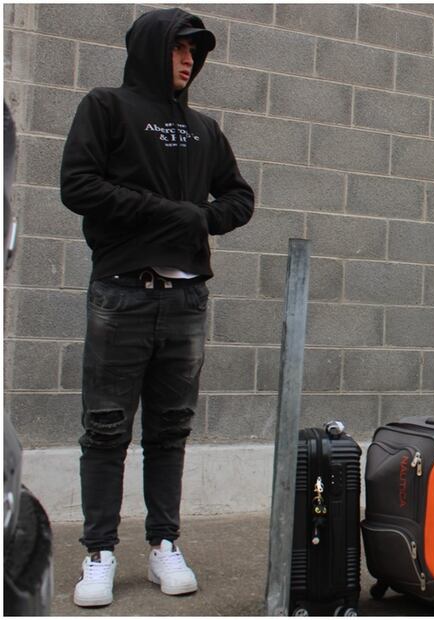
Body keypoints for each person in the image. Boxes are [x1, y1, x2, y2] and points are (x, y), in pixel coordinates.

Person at [60, 8, 254, 607]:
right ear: (151, 49)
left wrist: (203, 218)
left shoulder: (204, 128)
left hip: (186, 298)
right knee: (107, 429)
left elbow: (240, 197)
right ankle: (98, 552)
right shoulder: (106, 106)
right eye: (178, 48)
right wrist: (170, 212)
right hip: (121, 292)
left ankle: (164, 544)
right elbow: (78, 186)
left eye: (195, 50)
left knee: (170, 431)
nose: (189, 59)